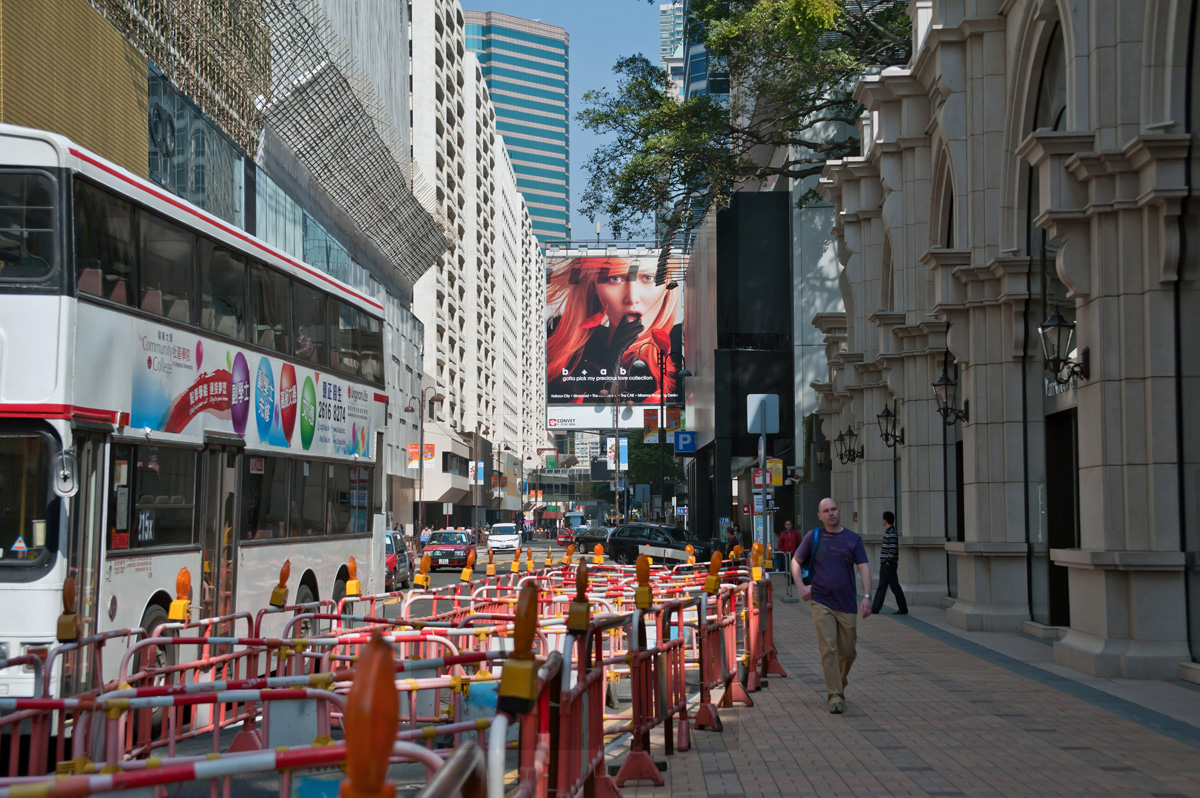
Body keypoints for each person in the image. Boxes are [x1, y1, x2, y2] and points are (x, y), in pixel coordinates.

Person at [545, 256, 683, 404]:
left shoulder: (681, 347)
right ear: (594, 286)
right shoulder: (566, 355)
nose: (632, 297)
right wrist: (614, 362)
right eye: (615, 279)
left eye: (648, 278)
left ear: (668, 286)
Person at [790, 498, 871, 715]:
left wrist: (867, 596)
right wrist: (800, 586)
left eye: (834, 509)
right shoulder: (813, 537)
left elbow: (863, 568)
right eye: (826, 511)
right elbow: (795, 562)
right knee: (829, 649)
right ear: (820, 515)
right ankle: (835, 695)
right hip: (821, 601)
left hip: (847, 604)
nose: (831, 513)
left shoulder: (853, 539)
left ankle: (839, 682)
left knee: (848, 651)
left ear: (840, 511)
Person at [872, 511, 908, 615]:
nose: (882, 521)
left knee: (894, 587)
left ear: (886, 520)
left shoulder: (892, 533)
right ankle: (875, 608)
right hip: (885, 564)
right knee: (882, 586)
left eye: (883, 519)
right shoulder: (888, 532)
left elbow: (893, 549)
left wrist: (888, 562)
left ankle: (903, 608)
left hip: (889, 565)